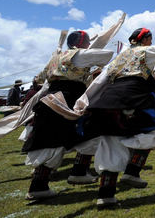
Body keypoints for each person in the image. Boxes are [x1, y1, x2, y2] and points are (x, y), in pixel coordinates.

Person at [79, 9, 155, 207]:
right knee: (153, 133)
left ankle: (106, 195)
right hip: (133, 100)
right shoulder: (146, 52)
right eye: (150, 38)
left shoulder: (119, 58)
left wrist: (83, 102)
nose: (152, 42)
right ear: (144, 39)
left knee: (111, 142)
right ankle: (132, 170)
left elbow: (100, 81)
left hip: (108, 101)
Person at [23, 14, 125, 201]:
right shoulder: (79, 55)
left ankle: (44, 183)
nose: (88, 43)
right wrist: (90, 58)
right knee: (85, 133)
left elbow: (39, 77)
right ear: (81, 43)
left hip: (50, 98)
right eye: (86, 41)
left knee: (50, 138)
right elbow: (106, 55)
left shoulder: (56, 57)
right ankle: (67, 175)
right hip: (67, 99)